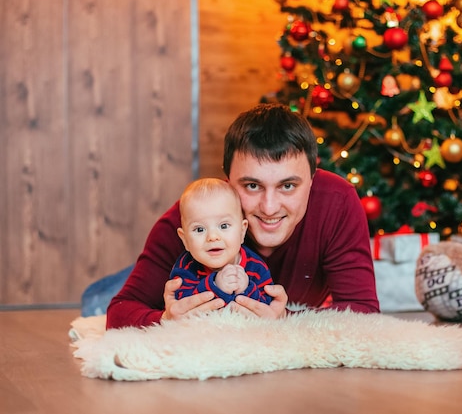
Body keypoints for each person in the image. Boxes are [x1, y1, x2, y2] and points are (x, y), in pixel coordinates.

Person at [106, 103, 380, 329]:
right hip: (174, 271)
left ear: (312, 180)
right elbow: (120, 311)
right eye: (252, 185)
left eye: (288, 186)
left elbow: (363, 313)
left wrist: (286, 321)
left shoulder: (338, 202)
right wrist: (164, 319)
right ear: (228, 180)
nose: (270, 207)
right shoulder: (196, 220)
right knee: (97, 300)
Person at [172, 177, 273, 305]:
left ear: (242, 232)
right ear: (185, 239)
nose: (213, 237)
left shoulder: (256, 267)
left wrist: (246, 289)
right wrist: (214, 285)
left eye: (224, 226)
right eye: (199, 229)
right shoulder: (186, 267)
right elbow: (181, 305)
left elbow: (268, 307)